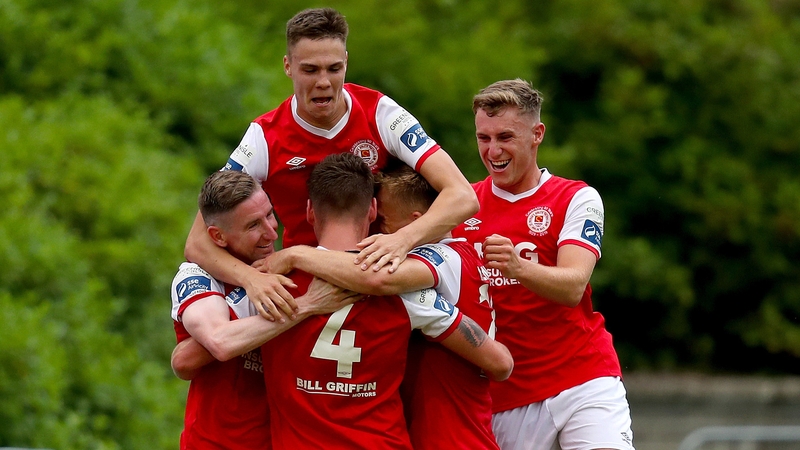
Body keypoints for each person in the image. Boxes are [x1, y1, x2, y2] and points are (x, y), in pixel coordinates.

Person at [182, 7, 479, 321]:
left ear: (347, 63)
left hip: (381, 281)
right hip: (306, 292)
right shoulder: (264, 138)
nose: (323, 82)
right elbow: (198, 242)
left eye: (334, 69)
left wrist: (401, 240)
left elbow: (463, 197)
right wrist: (252, 279)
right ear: (288, 67)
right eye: (310, 70)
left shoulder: (381, 114)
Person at [260, 153, 512, 449]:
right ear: (371, 210)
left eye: (385, 222)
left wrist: (293, 254)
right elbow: (501, 363)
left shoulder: (269, 284)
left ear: (309, 211)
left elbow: (209, 346)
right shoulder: (411, 292)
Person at [451, 79, 635, 450]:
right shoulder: (460, 205)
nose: (493, 150)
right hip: (504, 395)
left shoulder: (576, 198)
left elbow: (572, 286)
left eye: (505, 137)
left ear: (537, 134)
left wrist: (519, 268)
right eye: (483, 138)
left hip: (582, 379)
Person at [169, 170, 357, 449]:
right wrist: (306, 306)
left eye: (270, 214)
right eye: (252, 225)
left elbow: (186, 359)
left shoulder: (291, 272)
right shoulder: (197, 276)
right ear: (217, 236)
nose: (271, 232)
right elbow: (218, 342)